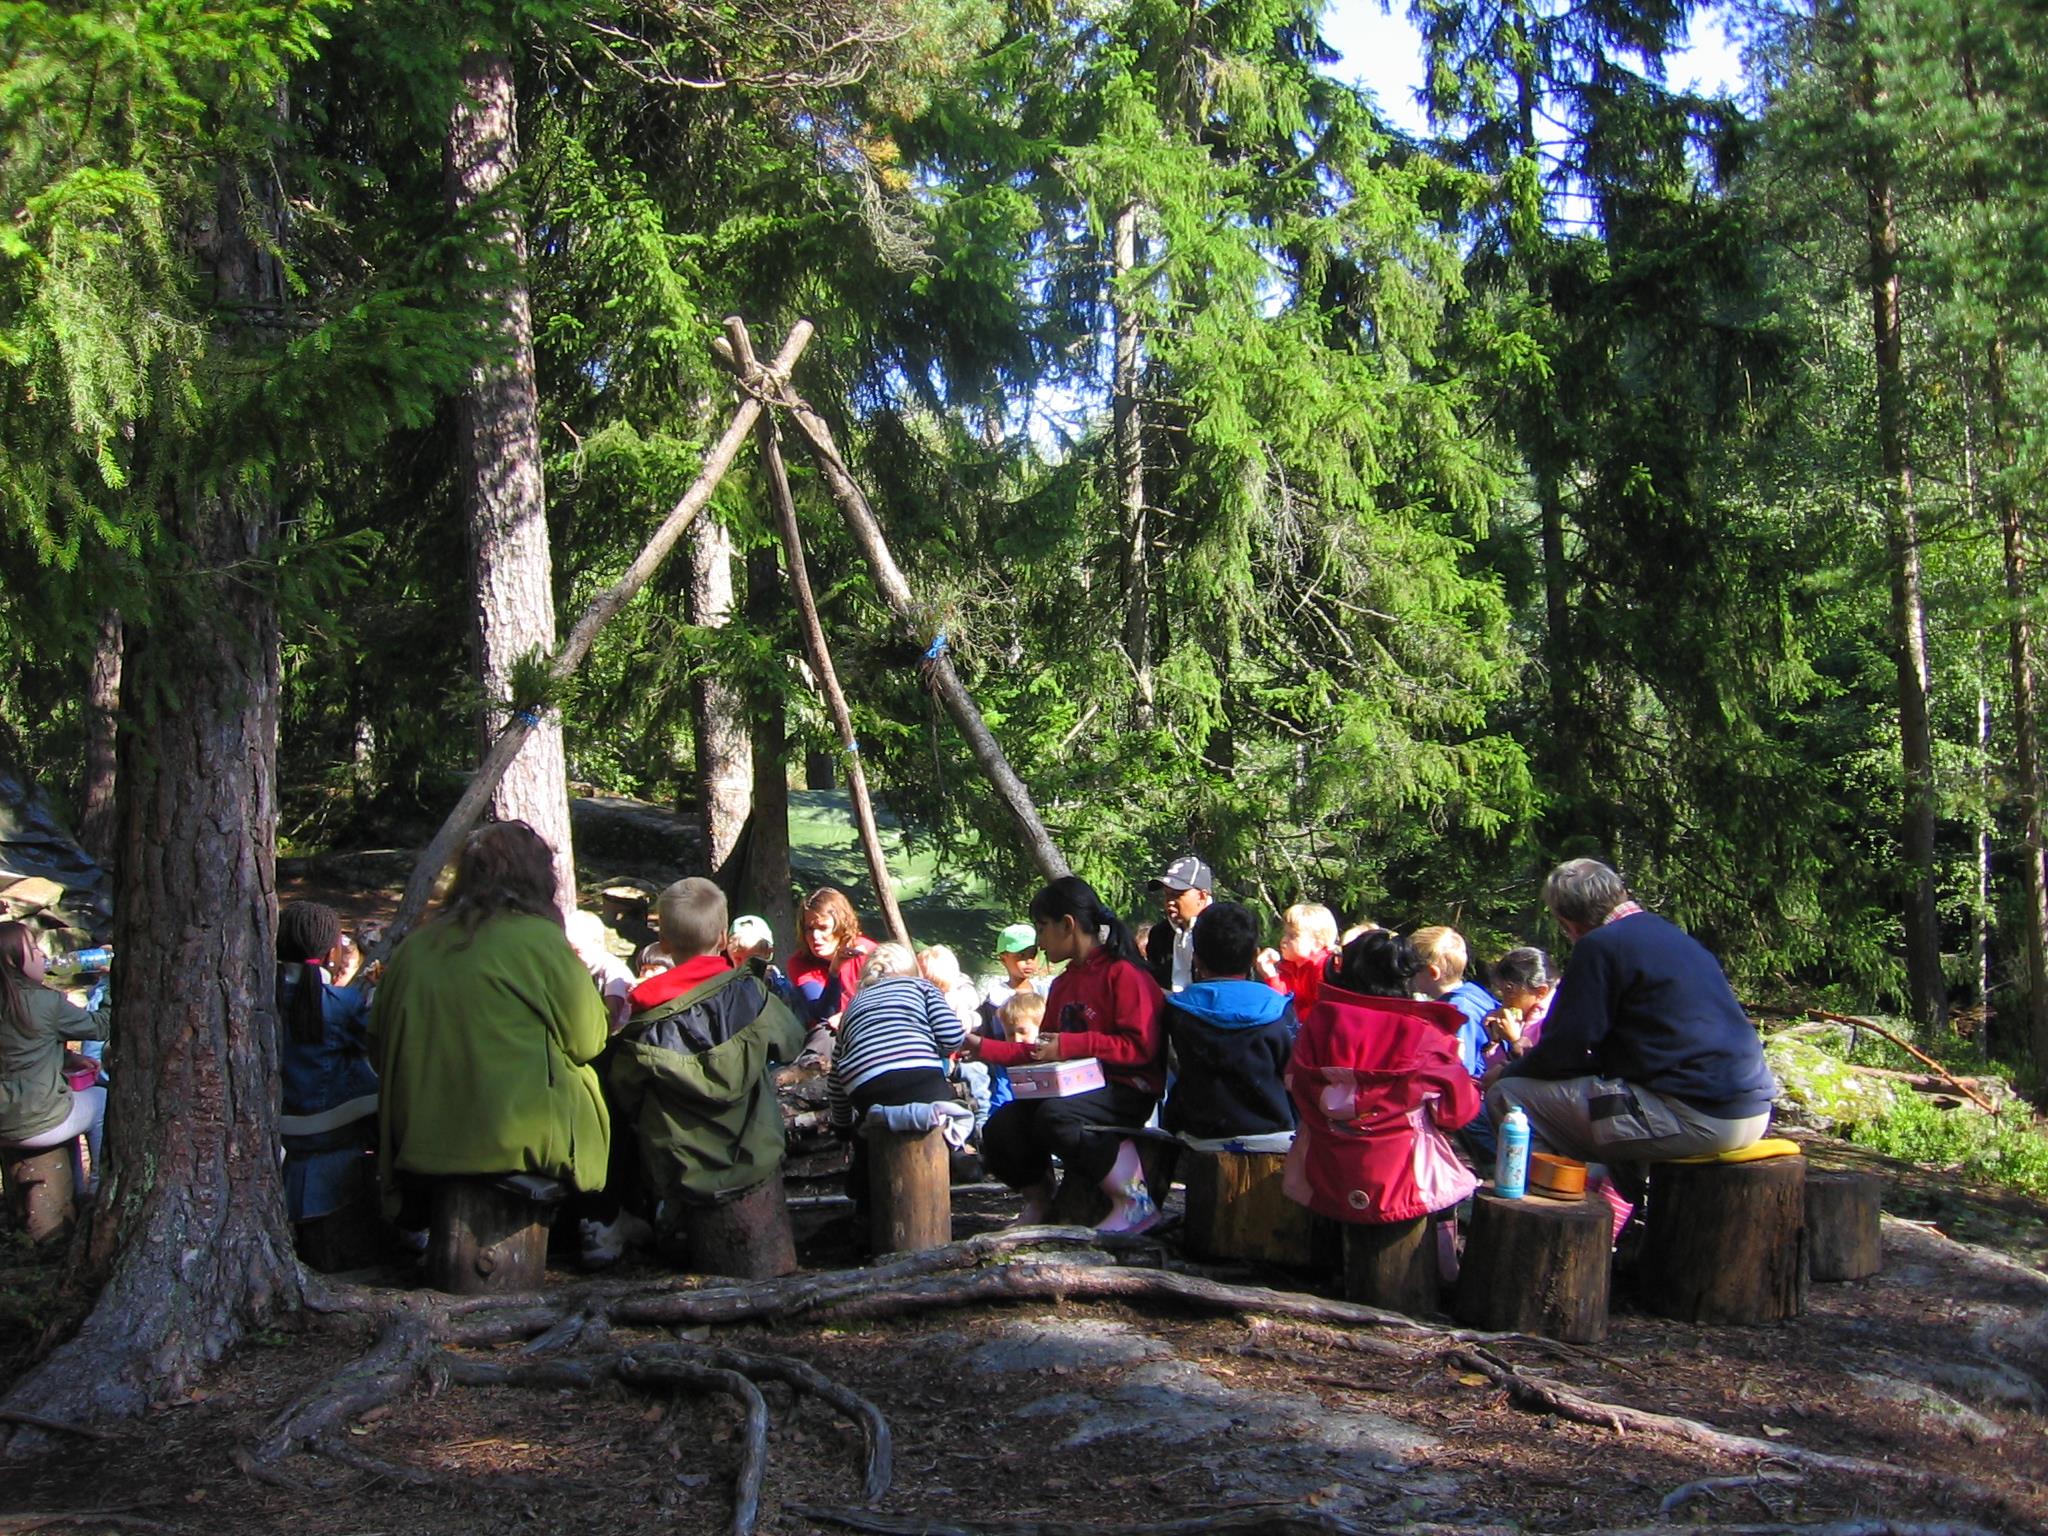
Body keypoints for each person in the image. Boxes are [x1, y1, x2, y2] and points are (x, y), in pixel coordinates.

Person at [1488, 859, 1777, 1234]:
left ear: (1567, 922)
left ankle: (1559, 1224)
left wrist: (1506, 1070)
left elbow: (1564, 1050)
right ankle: (1611, 1209)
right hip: (1749, 1111)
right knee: (1601, 1100)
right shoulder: (1671, 936)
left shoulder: (1598, 947)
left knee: (1509, 1096)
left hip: (1694, 1117)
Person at [370, 821, 611, 1239]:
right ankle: (601, 1226)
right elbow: (588, 1041)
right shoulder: (540, 941)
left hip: (421, 1139)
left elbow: (376, 1048)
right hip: (517, 1142)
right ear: (539, 876)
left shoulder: (415, 946)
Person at [608, 876, 804, 1246]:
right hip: (756, 1153)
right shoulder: (749, 993)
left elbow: (625, 1091)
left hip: (679, 1167)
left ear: (663, 942)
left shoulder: (642, 1021)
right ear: (720, 939)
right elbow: (792, 1041)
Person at [971, 877, 1166, 1233]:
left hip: (1126, 1088)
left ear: (1068, 924)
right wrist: (980, 1047)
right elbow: (1040, 1050)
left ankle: (1135, 1201)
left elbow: (1140, 1049)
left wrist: (1070, 1046)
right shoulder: (1062, 983)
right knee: (1002, 1126)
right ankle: (1041, 1200)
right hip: (1072, 1090)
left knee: (1055, 1116)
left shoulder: (1124, 975)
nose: (1040, 942)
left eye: (1042, 928)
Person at [1283, 929, 1479, 1244]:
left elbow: (1294, 1084)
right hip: (1403, 1186)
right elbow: (1457, 1113)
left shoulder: (1318, 1022)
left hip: (1322, 1177)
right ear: (1407, 976)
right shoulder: (1426, 1033)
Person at [829, 943, 970, 1209]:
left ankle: (864, 1187)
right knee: (943, 1101)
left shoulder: (853, 1006)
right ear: (911, 970)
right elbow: (952, 1037)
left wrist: (843, 1128)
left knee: (865, 1133)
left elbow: (836, 1076)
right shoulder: (923, 987)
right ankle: (955, 1152)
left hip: (867, 1090)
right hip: (920, 1081)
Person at [1159, 903, 1297, 1146]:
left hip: (1199, 1138)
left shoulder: (1177, 1010)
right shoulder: (1280, 1009)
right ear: (1254, 956)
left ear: (1196, 959)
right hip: (1274, 1138)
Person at [276, 901, 378, 1226]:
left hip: (280, 1123)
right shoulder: (343, 1004)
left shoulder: (255, 999)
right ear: (330, 952)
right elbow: (373, 1047)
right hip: (333, 1123)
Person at [0, 920, 110, 1199]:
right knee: (101, 1102)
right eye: (33, 949)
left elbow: (18, 1050)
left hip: (4, 1120)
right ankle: (99, 1189)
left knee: (64, 1104)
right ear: (13, 962)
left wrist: (68, 1058)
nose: (42, 956)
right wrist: (110, 984)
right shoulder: (45, 1002)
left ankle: (73, 1192)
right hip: (35, 1123)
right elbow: (100, 1026)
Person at [1412, 924, 1502, 1158]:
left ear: (1432, 973)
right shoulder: (1474, 992)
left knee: (1466, 1120)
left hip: (1477, 1098)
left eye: (1413, 970)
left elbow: (1461, 1069)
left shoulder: (1456, 1011)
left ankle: (1491, 1166)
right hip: (1486, 1092)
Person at [786, 887, 877, 1067]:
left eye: (823, 928)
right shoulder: (800, 962)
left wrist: (848, 1016)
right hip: (829, 1040)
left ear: (841, 926)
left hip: (869, 1032)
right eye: (809, 929)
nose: (815, 936)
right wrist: (834, 971)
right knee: (825, 1031)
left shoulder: (868, 953)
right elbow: (823, 1015)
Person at [1254, 902, 1339, 1019]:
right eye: (1285, 934)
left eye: (1292, 936)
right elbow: (1282, 1000)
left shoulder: (1324, 969)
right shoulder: (1291, 966)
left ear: (1317, 942)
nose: (1284, 940)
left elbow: (1323, 1012)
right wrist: (1270, 974)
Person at [1479, 947, 1558, 1069]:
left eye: (1509, 991)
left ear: (1541, 991)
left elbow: (1544, 1070)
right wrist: (1494, 1040)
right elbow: (1492, 1064)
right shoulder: (1524, 1014)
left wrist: (1515, 1040)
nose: (1504, 1002)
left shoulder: (1555, 1018)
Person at [1147, 854, 1215, 993]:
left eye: (1177, 894)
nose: (1169, 902)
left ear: (1201, 896)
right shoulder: (1159, 935)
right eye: (1166, 894)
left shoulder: (1223, 932)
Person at [566, 908, 636, 1031]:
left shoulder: (614, 971)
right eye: (568, 952)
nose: (573, 957)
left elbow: (611, 1017)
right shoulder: (578, 969)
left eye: (578, 951)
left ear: (598, 944)